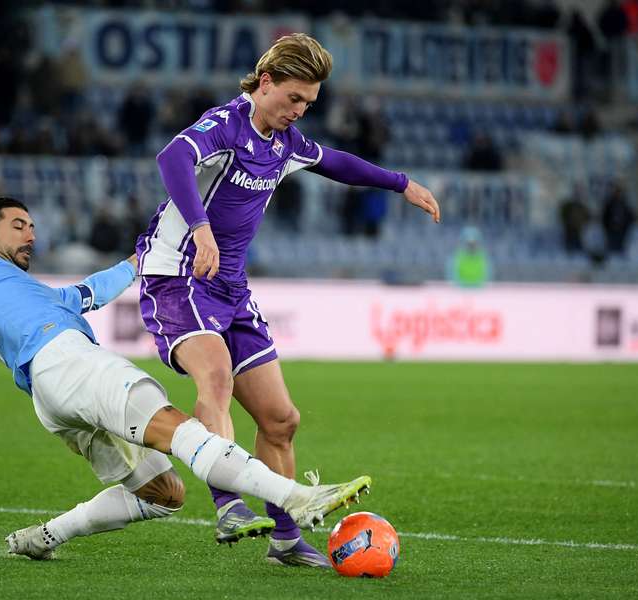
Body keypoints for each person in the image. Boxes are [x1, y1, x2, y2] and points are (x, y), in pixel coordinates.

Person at [0, 197, 370, 561]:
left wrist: (140, 259)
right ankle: (295, 498)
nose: (31, 233)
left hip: (52, 397)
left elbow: (90, 291)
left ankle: (45, 537)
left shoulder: (41, 295)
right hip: (68, 362)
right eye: (18, 225)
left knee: (163, 493)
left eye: (32, 226)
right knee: (175, 424)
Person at [135, 33, 439, 568]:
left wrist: (400, 183)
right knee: (216, 379)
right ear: (266, 81)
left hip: (231, 286)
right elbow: (172, 157)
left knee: (281, 419)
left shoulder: (286, 143)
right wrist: (201, 228)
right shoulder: (226, 124)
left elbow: (337, 162)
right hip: (179, 274)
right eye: (293, 98)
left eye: (309, 104)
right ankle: (228, 504)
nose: (298, 112)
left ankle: (284, 539)